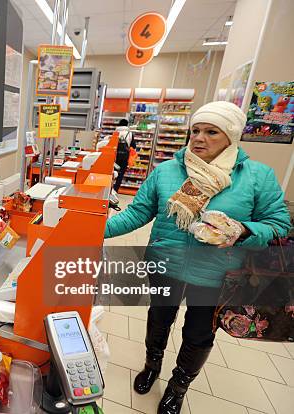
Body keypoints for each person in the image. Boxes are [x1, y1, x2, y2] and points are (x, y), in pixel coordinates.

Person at [104, 101, 290, 414]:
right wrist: (89, 231)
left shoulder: (256, 176)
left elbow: (279, 223)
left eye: (211, 132)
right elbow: (136, 212)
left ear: (230, 136)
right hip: (166, 263)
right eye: (196, 130)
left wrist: (242, 229)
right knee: (159, 319)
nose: (199, 138)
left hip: (218, 272)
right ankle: (152, 366)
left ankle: (178, 387)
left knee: (199, 333)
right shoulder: (167, 171)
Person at [113, 118, 135, 192]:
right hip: (124, 156)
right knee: (121, 173)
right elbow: (133, 146)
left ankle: (110, 189)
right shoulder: (130, 133)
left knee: (112, 172)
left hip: (114, 156)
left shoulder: (115, 132)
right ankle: (116, 189)